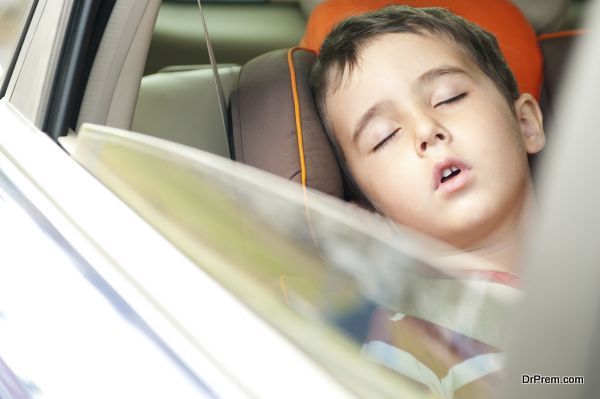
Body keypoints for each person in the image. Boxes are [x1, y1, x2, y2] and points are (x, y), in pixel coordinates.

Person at [310, 5, 545, 275]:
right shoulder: (386, 318)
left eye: (449, 98)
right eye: (384, 137)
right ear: (372, 214)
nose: (425, 130)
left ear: (526, 124)